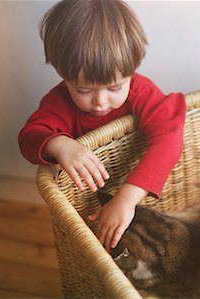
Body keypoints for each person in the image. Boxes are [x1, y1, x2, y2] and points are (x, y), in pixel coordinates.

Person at [18, 0, 186, 251]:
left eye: (115, 87)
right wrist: (60, 144)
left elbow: (169, 138)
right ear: (63, 75)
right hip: (88, 207)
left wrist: (126, 200)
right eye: (83, 89)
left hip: (139, 199)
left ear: (132, 70)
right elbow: (29, 137)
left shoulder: (141, 91)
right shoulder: (59, 102)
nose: (100, 101)